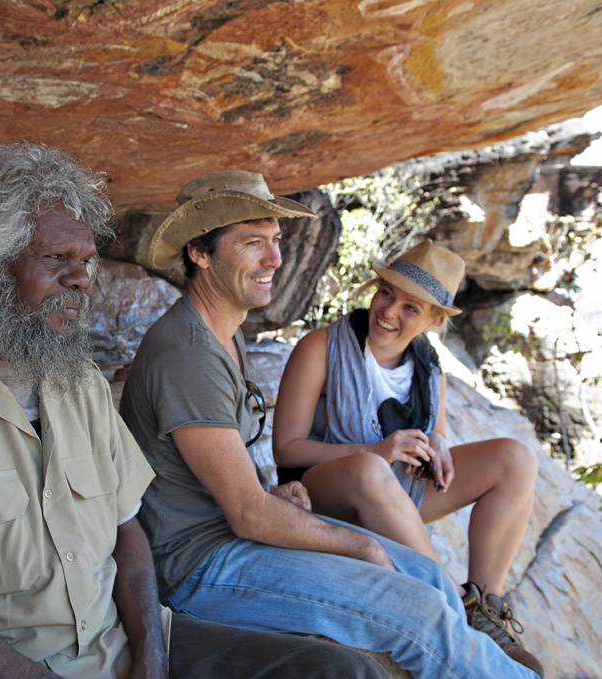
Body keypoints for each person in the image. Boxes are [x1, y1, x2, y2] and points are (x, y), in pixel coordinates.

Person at [0, 142, 388, 679]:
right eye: (55, 259)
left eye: (87, 261)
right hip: (15, 667)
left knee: (346, 671)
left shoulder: (80, 383)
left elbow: (127, 530)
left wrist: (150, 651)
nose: (80, 280)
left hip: (124, 645)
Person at [120, 170, 544, 679]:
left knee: (429, 579)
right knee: (418, 612)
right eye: (253, 242)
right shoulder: (187, 355)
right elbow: (249, 515)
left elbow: (229, 487)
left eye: (275, 241)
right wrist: (359, 544)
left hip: (230, 537)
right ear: (200, 252)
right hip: (197, 566)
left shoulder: (224, 337)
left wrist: (276, 500)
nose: (275, 259)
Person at [272, 240, 541, 671]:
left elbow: (437, 436)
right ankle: (455, 600)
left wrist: (438, 445)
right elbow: (285, 449)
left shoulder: (431, 369)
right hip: (326, 490)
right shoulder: (321, 347)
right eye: (386, 293)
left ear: (434, 320)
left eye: (411, 308)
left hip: (396, 496)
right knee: (369, 467)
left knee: (517, 458)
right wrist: (375, 450)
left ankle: (486, 606)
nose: (389, 311)